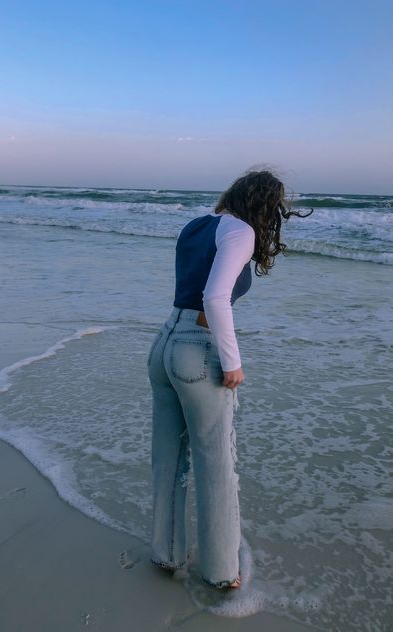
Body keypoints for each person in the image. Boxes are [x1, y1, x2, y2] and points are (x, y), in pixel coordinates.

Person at [147, 169, 313, 590]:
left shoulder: (196, 226)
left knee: (168, 457)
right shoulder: (240, 232)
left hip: (165, 341)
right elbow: (215, 297)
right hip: (197, 351)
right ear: (265, 206)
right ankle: (222, 573)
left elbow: (192, 291)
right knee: (215, 463)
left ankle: (165, 554)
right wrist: (232, 361)